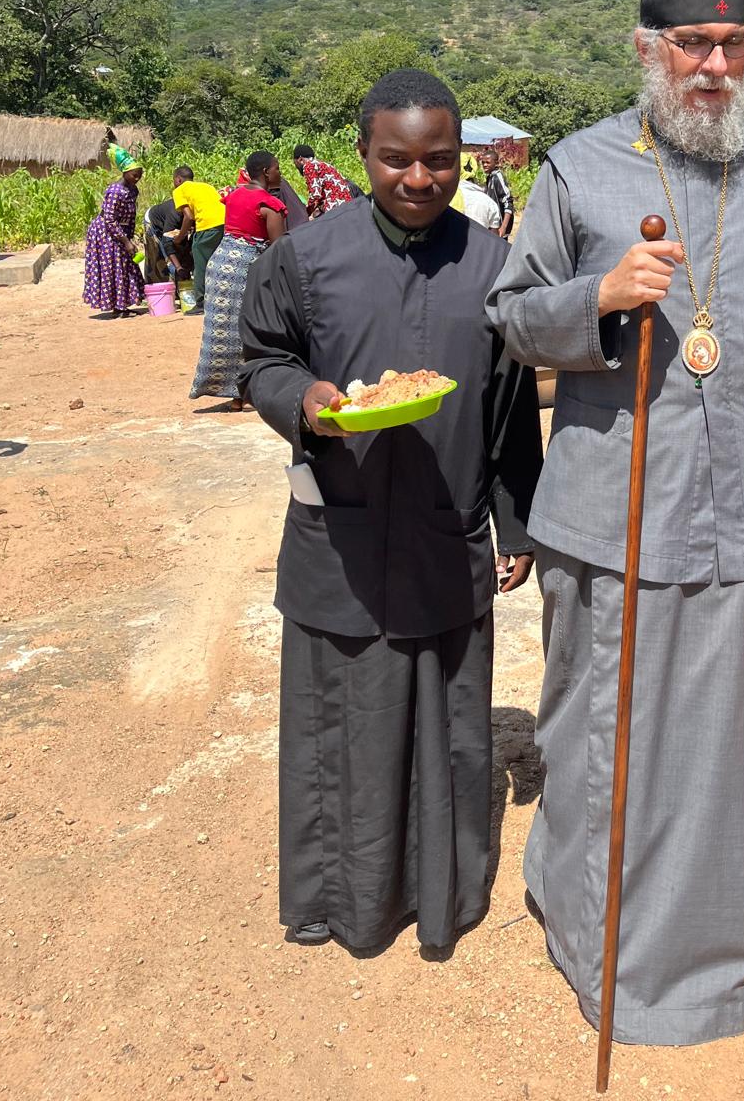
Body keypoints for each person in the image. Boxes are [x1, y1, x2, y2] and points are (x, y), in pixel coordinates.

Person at [487, 0, 744, 1047]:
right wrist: (598, 296)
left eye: (733, 45)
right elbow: (511, 315)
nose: (714, 65)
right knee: (618, 732)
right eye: (694, 43)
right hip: (619, 506)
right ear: (649, 47)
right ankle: (615, 941)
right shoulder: (579, 167)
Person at [239, 71, 542, 955]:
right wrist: (305, 401)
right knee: (341, 720)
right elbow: (262, 360)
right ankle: (336, 899)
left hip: (449, 531)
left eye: (439, 160)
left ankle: (442, 896)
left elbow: (510, 410)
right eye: (396, 159)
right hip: (341, 530)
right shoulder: (305, 257)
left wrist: (516, 525)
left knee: (448, 720)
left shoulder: (494, 268)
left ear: (460, 160)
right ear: (363, 154)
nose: (419, 179)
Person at [190, 152, 287, 408]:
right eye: (277, 169)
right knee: (252, 331)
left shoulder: (233, 195)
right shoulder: (270, 205)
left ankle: (236, 395)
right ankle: (247, 392)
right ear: (266, 172)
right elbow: (279, 250)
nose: (280, 173)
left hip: (219, 265)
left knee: (223, 332)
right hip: (244, 270)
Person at [83, 147, 145, 318]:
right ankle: (117, 306)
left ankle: (121, 305)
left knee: (124, 266)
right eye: (134, 175)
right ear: (125, 173)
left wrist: (129, 237)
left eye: (140, 175)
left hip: (121, 231)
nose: (137, 178)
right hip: (106, 232)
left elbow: (130, 215)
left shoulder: (133, 190)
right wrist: (126, 241)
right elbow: (109, 219)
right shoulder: (114, 191)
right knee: (113, 265)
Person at [170, 167, 227, 313]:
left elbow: (189, 216)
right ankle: (222, 299)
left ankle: (201, 303)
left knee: (200, 265)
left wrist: (179, 237)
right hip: (225, 224)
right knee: (218, 263)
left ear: (178, 179)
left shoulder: (179, 190)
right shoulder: (206, 186)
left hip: (208, 227)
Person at [292, 144, 355, 220]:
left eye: (295, 163)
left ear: (300, 160)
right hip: (347, 204)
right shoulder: (324, 165)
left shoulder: (308, 166)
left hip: (334, 208)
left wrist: (306, 213)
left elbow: (315, 195)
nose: (296, 166)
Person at [479, 146, 515, 239]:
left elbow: (508, 201)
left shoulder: (497, 177)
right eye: (483, 162)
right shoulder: (490, 177)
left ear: (496, 163)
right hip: (493, 226)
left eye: (487, 162)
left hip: (499, 227)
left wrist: (503, 227)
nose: (484, 165)